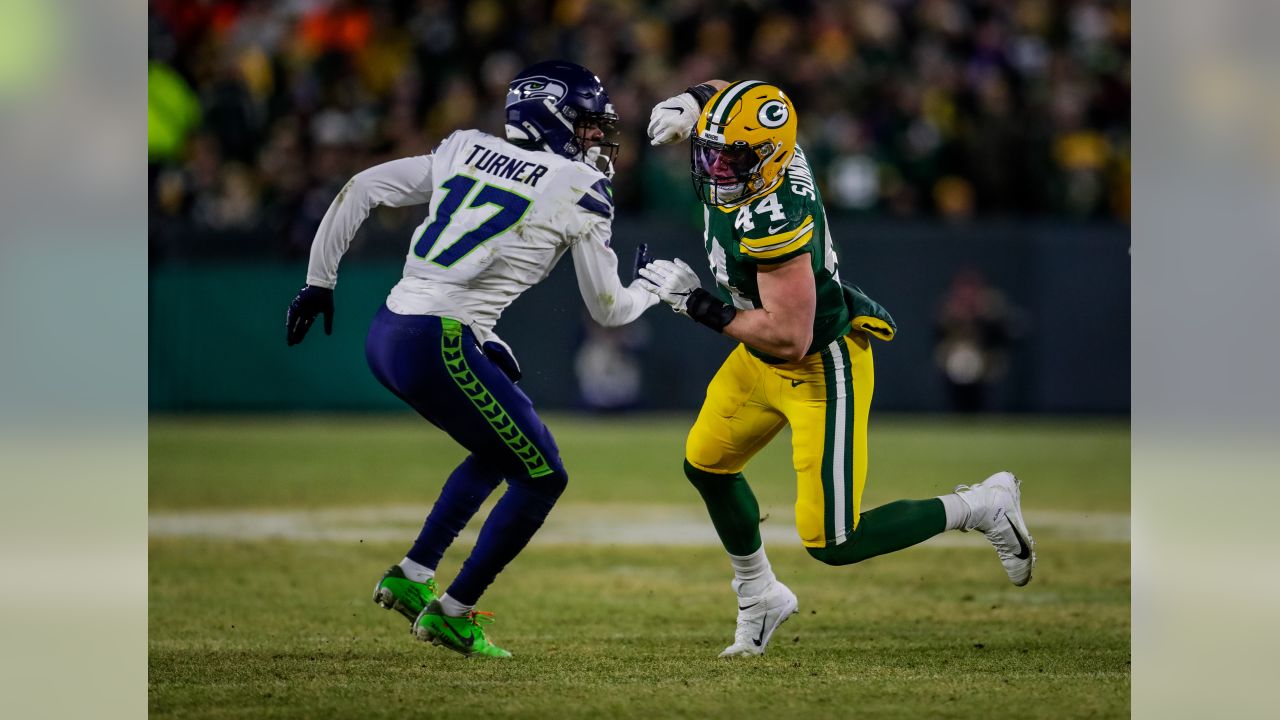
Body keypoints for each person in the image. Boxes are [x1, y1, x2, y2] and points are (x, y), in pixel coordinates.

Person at [640, 80, 1036, 657]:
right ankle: (759, 596)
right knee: (706, 464)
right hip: (757, 358)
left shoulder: (774, 217)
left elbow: (790, 337)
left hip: (818, 367)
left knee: (833, 539)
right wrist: (695, 99)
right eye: (711, 150)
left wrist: (699, 305)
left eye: (731, 156)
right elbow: (747, 94)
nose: (716, 165)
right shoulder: (771, 146)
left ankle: (981, 506)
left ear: (768, 159)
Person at [285, 61, 658, 658]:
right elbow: (610, 308)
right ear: (556, 117)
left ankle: (411, 575)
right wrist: (657, 288)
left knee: (504, 445)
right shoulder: (577, 187)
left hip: (391, 329)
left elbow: (362, 188)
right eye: (587, 124)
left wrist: (318, 282)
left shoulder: (466, 147)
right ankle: (454, 614)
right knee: (543, 475)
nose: (595, 137)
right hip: (439, 340)